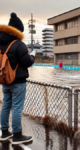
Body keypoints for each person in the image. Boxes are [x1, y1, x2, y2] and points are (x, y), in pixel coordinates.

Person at [0, 13, 35, 144]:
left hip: (4, 79)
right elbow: (26, 62)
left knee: (5, 106)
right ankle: (17, 135)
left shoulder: (1, 43)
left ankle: (4, 132)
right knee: (17, 107)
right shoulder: (18, 44)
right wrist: (32, 57)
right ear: (18, 30)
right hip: (17, 81)